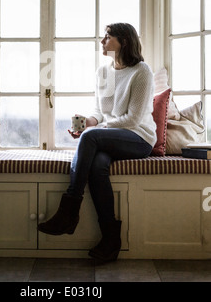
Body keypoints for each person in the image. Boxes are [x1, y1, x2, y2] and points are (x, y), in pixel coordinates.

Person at [38, 22, 157, 262]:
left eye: (107, 37)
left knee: (91, 137)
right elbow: (100, 113)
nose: (102, 41)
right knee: (97, 165)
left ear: (123, 42)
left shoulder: (141, 71)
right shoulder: (103, 72)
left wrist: (93, 132)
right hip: (111, 137)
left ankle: (70, 210)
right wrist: (87, 123)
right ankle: (111, 240)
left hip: (139, 138)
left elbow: (133, 119)